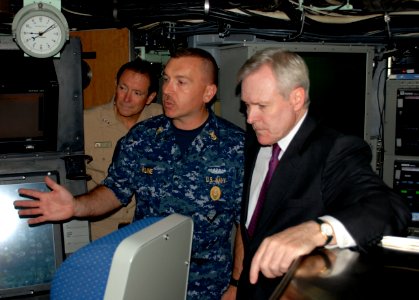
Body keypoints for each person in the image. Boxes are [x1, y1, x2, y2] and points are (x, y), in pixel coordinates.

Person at [14, 48, 245, 299]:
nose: (168, 89)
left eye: (181, 82)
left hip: (208, 283)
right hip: (147, 276)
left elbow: (246, 224)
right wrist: (76, 207)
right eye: (166, 79)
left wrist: (236, 284)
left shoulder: (236, 146)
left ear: (208, 92)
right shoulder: (142, 137)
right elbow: (115, 190)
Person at [230, 48, 410, 299]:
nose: (250, 118)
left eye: (262, 105)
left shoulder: (334, 149)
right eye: (247, 105)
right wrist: (236, 283)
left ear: (296, 98)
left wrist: (318, 230)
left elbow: (388, 208)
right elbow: (251, 227)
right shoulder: (256, 140)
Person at [84, 59, 162, 240]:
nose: (126, 99)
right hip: (100, 234)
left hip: (149, 232)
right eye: (122, 88)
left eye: (137, 93)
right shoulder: (86, 123)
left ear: (150, 97)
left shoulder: (164, 121)